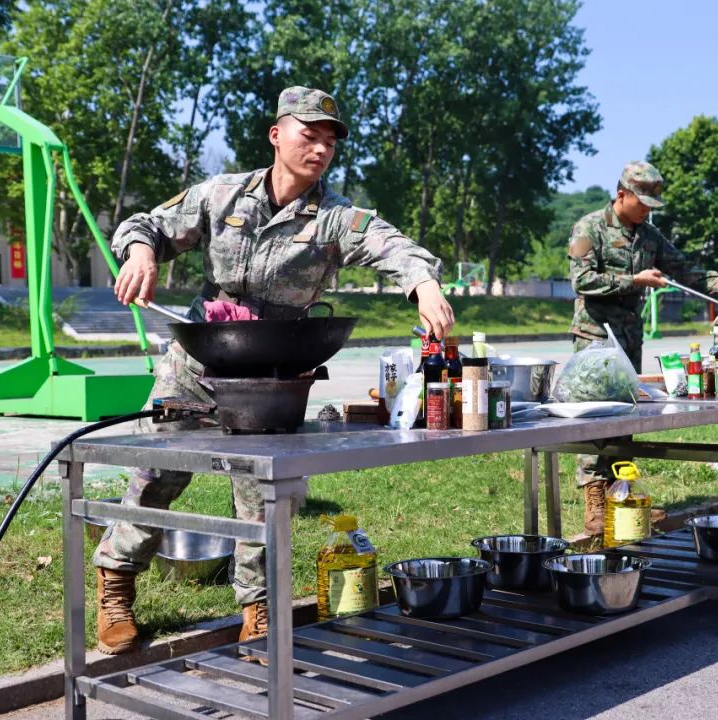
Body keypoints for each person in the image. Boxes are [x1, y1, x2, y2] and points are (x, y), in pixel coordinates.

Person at [94, 86, 455, 655]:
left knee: (261, 488)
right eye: (309, 135)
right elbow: (147, 225)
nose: (321, 149)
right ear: (276, 135)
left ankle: (257, 607)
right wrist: (141, 252)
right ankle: (116, 583)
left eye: (330, 141)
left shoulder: (335, 217)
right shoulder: (221, 194)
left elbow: (391, 244)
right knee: (157, 471)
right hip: (200, 357)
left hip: (273, 370)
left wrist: (424, 283)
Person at [568, 160, 718, 536]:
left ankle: (620, 496)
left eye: (652, 206)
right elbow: (582, 280)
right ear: (622, 194)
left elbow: (686, 270)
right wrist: (633, 280)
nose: (647, 212)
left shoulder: (649, 236)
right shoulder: (589, 227)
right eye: (642, 204)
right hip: (595, 338)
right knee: (595, 418)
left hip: (629, 339)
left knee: (625, 416)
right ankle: (594, 500)